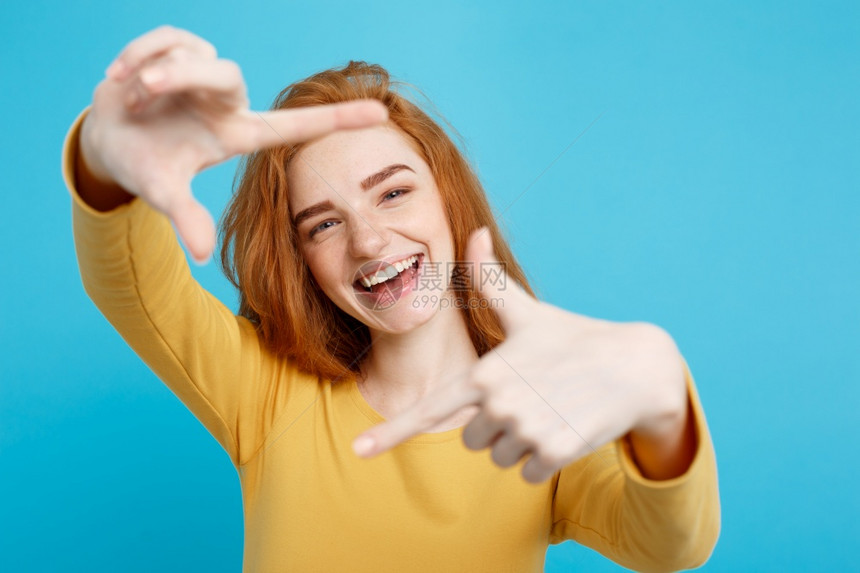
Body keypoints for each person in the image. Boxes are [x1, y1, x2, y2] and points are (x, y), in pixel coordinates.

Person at [62, 25, 720, 573]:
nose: (370, 240)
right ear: (303, 263)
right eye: (323, 223)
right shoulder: (263, 393)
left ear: (449, 199)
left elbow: (671, 544)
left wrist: (664, 401)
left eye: (393, 191)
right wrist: (107, 154)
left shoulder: (537, 414)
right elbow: (131, 283)